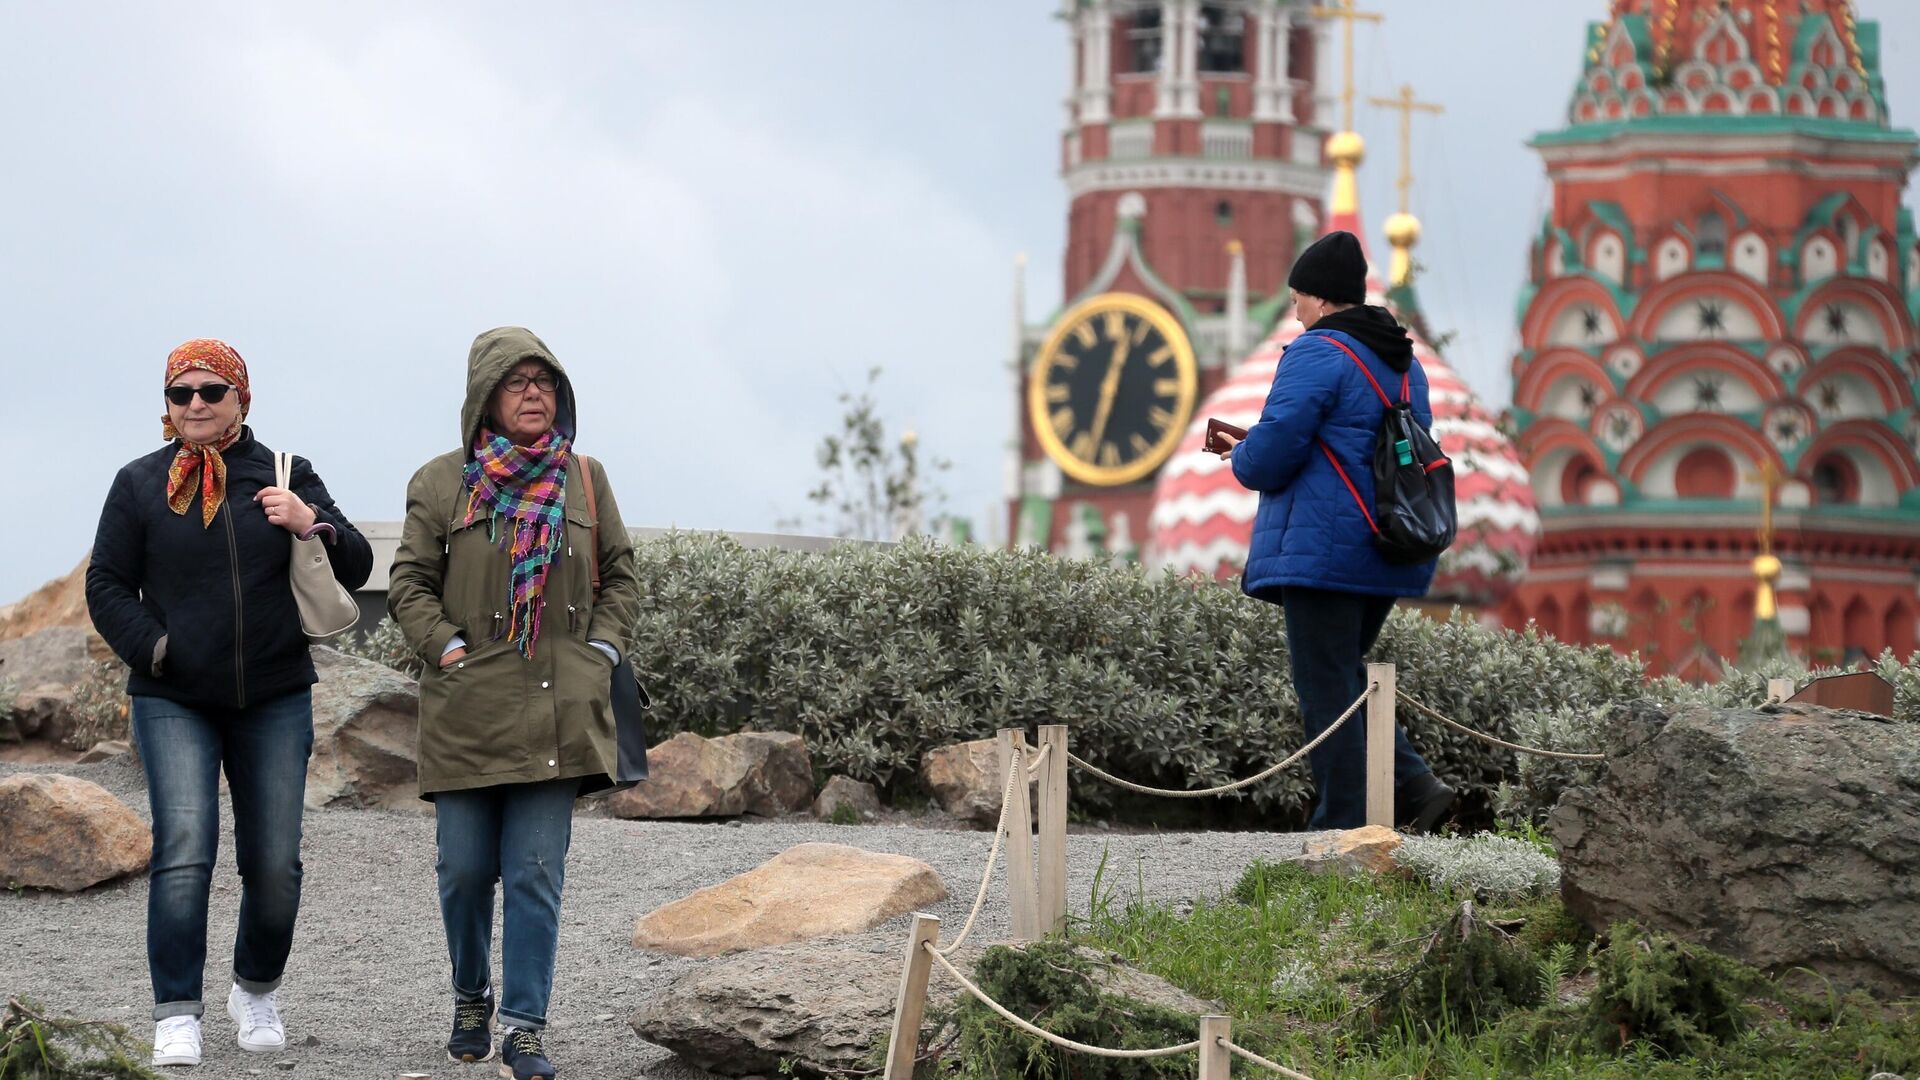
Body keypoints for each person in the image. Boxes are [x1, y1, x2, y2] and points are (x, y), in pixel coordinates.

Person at [85, 339, 373, 1068]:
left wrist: (309, 521)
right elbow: (107, 584)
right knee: (184, 851)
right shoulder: (139, 483)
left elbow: (360, 564)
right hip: (172, 696)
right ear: (168, 406)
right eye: (181, 393)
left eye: (212, 390)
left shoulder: (285, 473)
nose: (196, 405)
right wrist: (156, 647)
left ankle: (256, 988)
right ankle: (176, 1010)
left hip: (274, 695)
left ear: (242, 396)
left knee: (275, 862)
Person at [387, 327, 639, 1080]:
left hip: (556, 704)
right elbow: (407, 584)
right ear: (484, 399)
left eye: (545, 381)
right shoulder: (442, 482)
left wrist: (603, 650)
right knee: (463, 870)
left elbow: (620, 574)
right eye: (516, 381)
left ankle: (524, 1027)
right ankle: (472, 994)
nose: (534, 393)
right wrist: (446, 649)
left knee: (534, 871)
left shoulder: (584, 478)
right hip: (467, 706)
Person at [1212, 232, 1456, 833]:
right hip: (1389, 542)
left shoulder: (1316, 351)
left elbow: (1272, 455)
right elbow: (1356, 445)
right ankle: (1417, 787)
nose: (1294, 310)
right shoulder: (1405, 362)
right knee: (1346, 675)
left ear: (1319, 300)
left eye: (1297, 298)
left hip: (1324, 551)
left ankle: (1342, 822)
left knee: (1326, 687)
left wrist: (1241, 457)